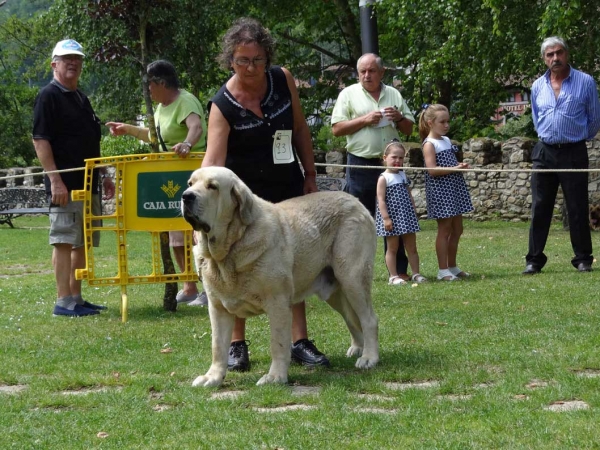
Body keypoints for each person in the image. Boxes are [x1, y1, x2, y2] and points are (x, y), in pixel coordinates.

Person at [201, 17, 329, 371]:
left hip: (287, 184)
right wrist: (202, 201)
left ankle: (299, 340)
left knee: (290, 262)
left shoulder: (282, 79)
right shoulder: (222, 105)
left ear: (267, 58)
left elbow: (300, 127)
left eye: (258, 60)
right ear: (231, 60)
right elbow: (213, 161)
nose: (251, 67)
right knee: (236, 268)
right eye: (243, 60)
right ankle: (237, 346)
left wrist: (311, 174)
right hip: (244, 197)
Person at [106, 60, 208, 305]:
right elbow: (153, 136)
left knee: (198, 235)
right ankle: (188, 286)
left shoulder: (186, 101)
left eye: (149, 85)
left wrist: (187, 144)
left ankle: (209, 288)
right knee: (176, 237)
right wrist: (127, 129)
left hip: (195, 176)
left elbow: (196, 127)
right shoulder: (161, 109)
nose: (148, 91)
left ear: (161, 83)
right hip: (171, 179)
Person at [33, 39, 115, 317]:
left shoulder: (82, 98)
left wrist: (102, 174)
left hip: (88, 182)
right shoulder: (48, 96)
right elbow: (41, 140)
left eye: (77, 59)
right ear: (54, 64)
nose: (73, 63)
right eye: (66, 58)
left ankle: (76, 297)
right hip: (64, 185)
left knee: (83, 242)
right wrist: (55, 180)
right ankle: (62, 300)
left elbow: (91, 141)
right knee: (64, 240)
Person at [331, 53, 414, 281]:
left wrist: (398, 118)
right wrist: (364, 120)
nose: (367, 75)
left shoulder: (394, 93)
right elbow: (337, 129)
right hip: (361, 164)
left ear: (382, 72)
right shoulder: (348, 94)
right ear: (358, 74)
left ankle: (399, 271)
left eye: (372, 71)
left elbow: (408, 130)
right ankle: (354, 272)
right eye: (363, 72)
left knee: (395, 219)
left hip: (391, 166)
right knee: (359, 220)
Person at [523, 36, 600, 275]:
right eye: (549, 55)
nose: (555, 58)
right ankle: (534, 260)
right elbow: (537, 118)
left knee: (577, 206)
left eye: (558, 53)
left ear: (566, 54)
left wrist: (575, 139)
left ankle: (583, 259)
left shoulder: (585, 81)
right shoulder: (537, 86)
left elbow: (594, 119)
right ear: (544, 59)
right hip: (544, 151)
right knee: (540, 206)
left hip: (574, 151)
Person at [419, 104, 473, 281]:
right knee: (445, 230)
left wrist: (459, 166)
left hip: (454, 188)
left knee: (457, 229)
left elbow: (451, 164)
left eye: (448, 121)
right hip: (441, 191)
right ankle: (443, 270)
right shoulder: (429, 144)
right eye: (442, 122)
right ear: (430, 123)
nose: (446, 125)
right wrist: (455, 168)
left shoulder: (446, 140)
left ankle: (452, 266)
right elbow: (432, 170)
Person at [375, 140, 426, 285]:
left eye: (401, 158)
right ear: (385, 158)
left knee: (412, 247)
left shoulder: (403, 175)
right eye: (394, 157)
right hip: (392, 218)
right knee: (393, 248)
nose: (397, 161)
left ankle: (416, 273)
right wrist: (386, 218)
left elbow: (409, 194)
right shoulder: (383, 178)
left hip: (407, 216)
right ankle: (393, 276)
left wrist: (413, 210)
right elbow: (381, 200)